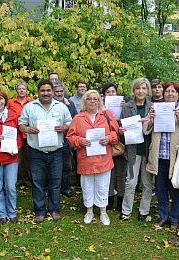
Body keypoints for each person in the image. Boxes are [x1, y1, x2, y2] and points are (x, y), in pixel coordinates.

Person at [145, 82, 179, 230]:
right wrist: (151, 120)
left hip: (178, 157)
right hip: (160, 156)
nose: (170, 94)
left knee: (176, 190)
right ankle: (163, 217)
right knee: (161, 189)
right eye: (167, 91)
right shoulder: (156, 108)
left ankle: (175, 219)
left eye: (174, 91)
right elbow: (146, 130)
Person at [18, 79, 72, 224]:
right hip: (36, 152)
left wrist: (65, 128)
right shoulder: (30, 107)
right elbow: (21, 124)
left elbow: (70, 123)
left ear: (53, 92)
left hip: (56, 152)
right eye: (43, 90)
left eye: (48, 90)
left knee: (55, 181)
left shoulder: (61, 107)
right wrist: (27, 129)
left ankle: (54, 210)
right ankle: (40, 211)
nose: (46, 93)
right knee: (37, 182)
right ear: (38, 92)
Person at [67, 90, 119, 225]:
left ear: (99, 101)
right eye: (89, 99)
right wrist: (79, 141)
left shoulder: (107, 115)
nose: (92, 101)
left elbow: (116, 133)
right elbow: (70, 137)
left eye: (95, 99)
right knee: (87, 186)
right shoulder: (78, 118)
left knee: (103, 186)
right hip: (86, 159)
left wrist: (108, 138)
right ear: (85, 101)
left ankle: (103, 212)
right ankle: (89, 211)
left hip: (103, 159)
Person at [118, 78, 153, 221]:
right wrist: (121, 131)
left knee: (147, 183)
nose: (141, 91)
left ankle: (144, 211)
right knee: (130, 182)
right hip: (133, 149)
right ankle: (126, 210)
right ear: (134, 90)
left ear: (148, 90)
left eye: (144, 88)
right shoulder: (127, 107)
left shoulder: (152, 107)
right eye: (138, 88)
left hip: (148, 149)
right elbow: (122, 126)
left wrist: (149, 122)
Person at [0, 89, 23, 224]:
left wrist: (16, 148)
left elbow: (19, 136)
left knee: (10, 187)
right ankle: (1, 213)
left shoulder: (13, 115)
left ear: (5, 100)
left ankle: (12, 212)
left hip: (11, 157)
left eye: (1, 99)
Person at [101, 82, 126, 211]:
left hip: (120, 143)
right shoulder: (100, 110)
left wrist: (124, 108)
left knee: (121, 173)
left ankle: (121, 200)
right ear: (104, 96)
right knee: (108, 173)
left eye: (113, 92)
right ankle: (109, 199)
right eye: (108, 92)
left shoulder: (123, 106)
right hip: (106, 143)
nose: (111, 94)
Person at [53, 80, 77, 197]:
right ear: (53, 92)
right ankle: (53, 188)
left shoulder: (70, 104)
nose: (59, 93)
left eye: (61, 91)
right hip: (52, 139)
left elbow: (75, 119)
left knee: (67, 166)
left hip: (66, 139)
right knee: (53, 166)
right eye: (56, 91)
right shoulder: (50, 104)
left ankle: (66, 188)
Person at [8, 82, 34, 185]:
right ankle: (18, 179)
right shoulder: (11, 102)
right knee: (17, 156)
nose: (21, 90)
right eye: (19, 89)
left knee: (28, 156)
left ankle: (27, 179)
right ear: (16, 90)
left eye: (23, 89)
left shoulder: (32, 102)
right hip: (15, 133)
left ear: (26, 90)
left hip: (28, 133)